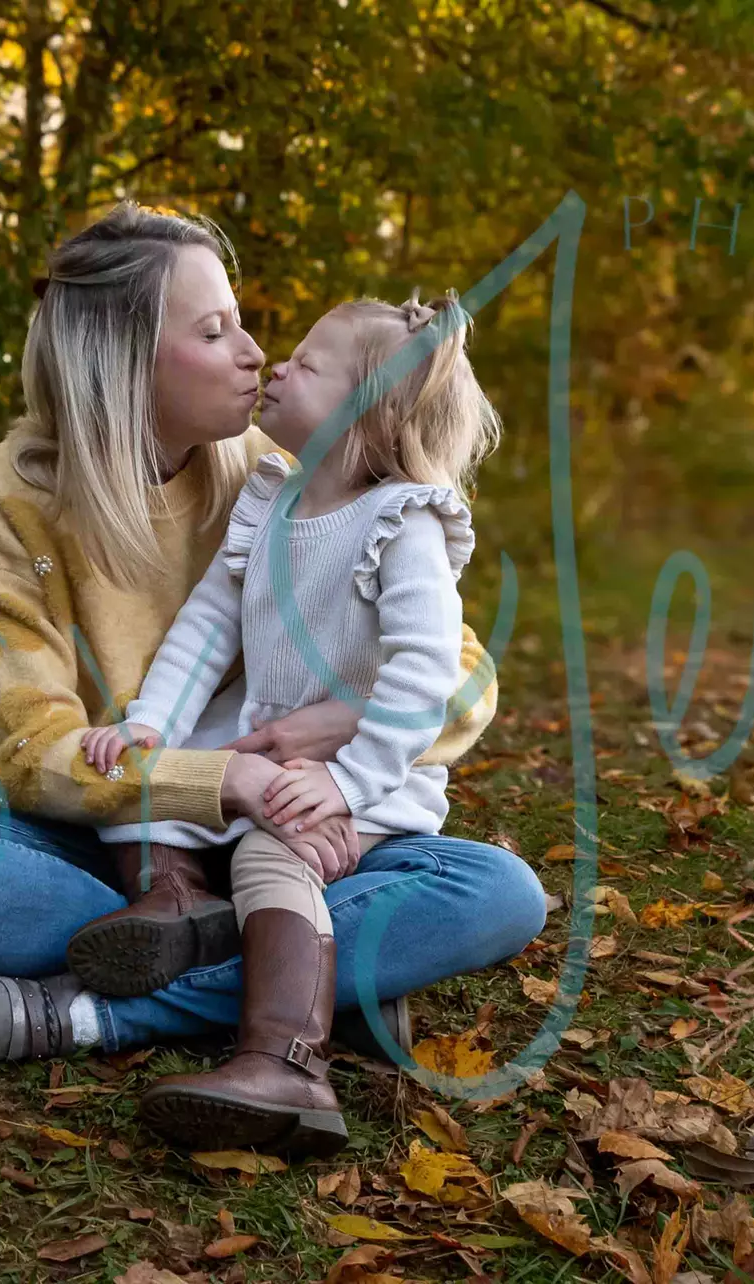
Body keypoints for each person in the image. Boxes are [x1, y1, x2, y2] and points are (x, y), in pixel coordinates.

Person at [0, 201, 547, 1090]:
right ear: (124, 363)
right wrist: (213, 779)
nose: (253, 351)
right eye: (214, 330)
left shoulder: (274, 472)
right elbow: (32, 746)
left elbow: (460, 673)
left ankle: (80, 1010)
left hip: (283, 823)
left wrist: (337, 726)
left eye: (240, 322)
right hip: (92, 832)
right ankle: (310, 973)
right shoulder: (8, 498)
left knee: (500, 892)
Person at [80, 287, 511, 1155]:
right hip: (259, 745)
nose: (278, 364)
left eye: (308, 364)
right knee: (156, 792)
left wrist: (345, 784)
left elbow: (425, 675)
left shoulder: (403, 523)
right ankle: (176, 906)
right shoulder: (270, 499)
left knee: (275, 849)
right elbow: (205, 626)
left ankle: (285, 1061)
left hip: (364, 775)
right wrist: (152, 723)